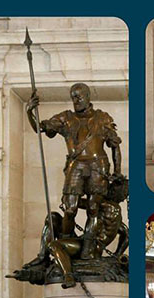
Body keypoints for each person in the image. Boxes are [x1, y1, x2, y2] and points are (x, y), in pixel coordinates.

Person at [27, 82, 122, 258]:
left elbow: (114, 145)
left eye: (79, 96)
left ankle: (88, 251)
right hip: (76, 165)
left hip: (98, 166)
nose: (76, 100)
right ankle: (64, 243)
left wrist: (117, 171)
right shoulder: (66, 118)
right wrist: (29, 112)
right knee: (70, 209)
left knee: (94, 208)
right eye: (73, 97)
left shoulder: (103, 118)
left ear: (87, 96)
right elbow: (40, 127)